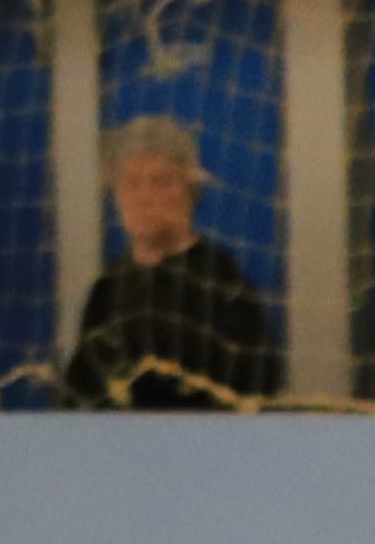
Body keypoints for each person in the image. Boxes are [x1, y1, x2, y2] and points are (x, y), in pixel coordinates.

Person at [64, 119, 278, 406]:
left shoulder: (221, 281)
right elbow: (78, 395)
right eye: (132, 183)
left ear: (190, 190)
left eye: (161, 182)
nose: (145, 197)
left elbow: (255, 385)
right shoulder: (106, 289)